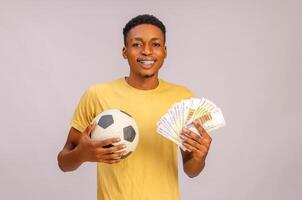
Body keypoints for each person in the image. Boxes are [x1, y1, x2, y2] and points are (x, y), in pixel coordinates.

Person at [57, 14, 212, 200]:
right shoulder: (97, 95)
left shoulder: (183, 98)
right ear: (124, 51)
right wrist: (82, 154)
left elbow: (191, 170)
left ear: (165, 51)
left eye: (155, 44)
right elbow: (63, 163)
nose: (146, 51)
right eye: (137, 44)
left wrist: (200, 157)